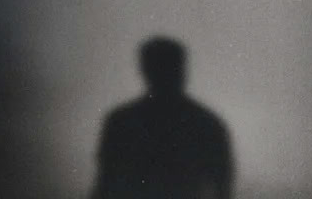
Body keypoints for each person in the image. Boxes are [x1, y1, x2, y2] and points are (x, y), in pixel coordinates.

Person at [91, 37, 233, 199]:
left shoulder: (122, 122)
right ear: (182, 70)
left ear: (145, 70)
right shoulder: (206, 123)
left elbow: (105, 184)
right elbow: (222, 186)